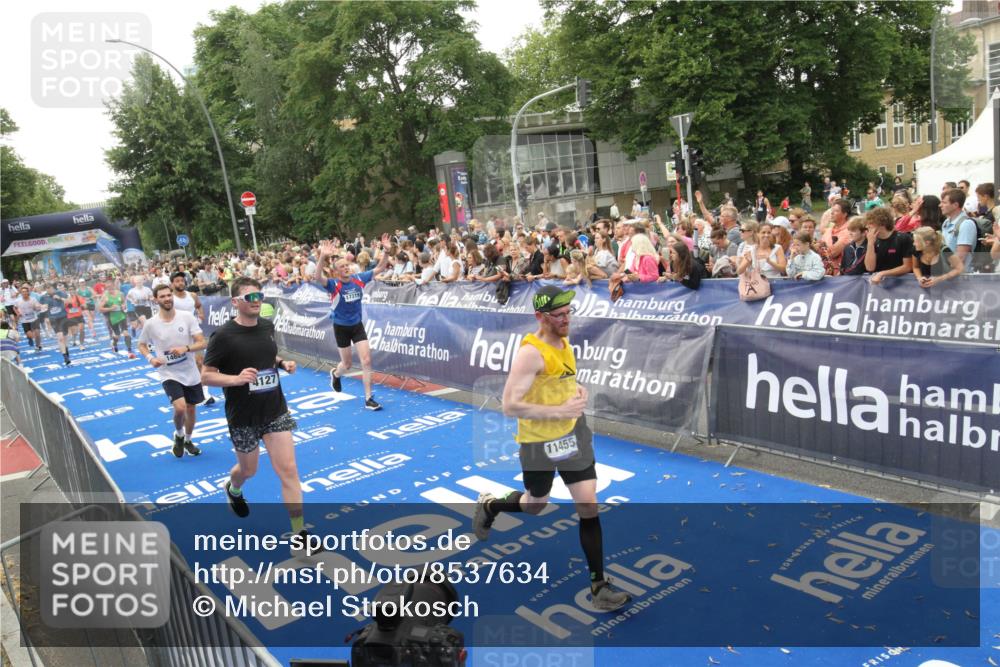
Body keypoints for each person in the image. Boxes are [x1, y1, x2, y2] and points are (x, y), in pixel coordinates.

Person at [472, 285, 631, 612]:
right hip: (538, 442)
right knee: (535, 505)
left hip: (573, 433)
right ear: (540, 317)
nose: (566, 319)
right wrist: (559, 410)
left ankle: (599, 585)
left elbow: (561, 379)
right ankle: (491, 506)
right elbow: (510, 405)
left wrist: (577, 392)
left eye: (568, 313)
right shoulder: (531, 352)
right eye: (558, 315)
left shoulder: (564, 340)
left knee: (588, 504)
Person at [201, 278, 320, 558]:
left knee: (289, 471)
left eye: (259, 295)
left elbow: (268, 354)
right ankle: (233, 487)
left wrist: (281, 363)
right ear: (235, 302)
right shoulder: (223, 336)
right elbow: (206, 375)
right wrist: (236, 379)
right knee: (248, 471)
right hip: (243, 416)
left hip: (274, 409)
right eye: (250, 296)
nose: (256, 300)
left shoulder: (267, 326)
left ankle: (299, 535)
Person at [314, 237, 390, 411]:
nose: (346, 267)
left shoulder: (358, 278)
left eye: (347, 265)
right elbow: (317, 276)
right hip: (341, 327)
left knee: (366, 360)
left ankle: (369, 398)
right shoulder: (333, 284)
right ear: (336, 272)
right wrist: (322, 257)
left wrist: (386, 252)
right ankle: (336, 373)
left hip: (357, 325)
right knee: (346, 364)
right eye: (342, 266)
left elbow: (380, 268)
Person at [138, 285, 206, 458]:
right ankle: (179, 435)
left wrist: (186, 348)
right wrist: (151, 359)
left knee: (191, 409)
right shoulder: (151, 324)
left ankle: (188, 440)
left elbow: (202, 342)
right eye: (163, 296)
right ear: (156, 299)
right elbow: (141, 344)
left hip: (190, 372)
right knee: (180, 408)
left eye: (169, 295)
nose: (167, 298)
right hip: (168, 373)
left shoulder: (186, 317)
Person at [170, 271, 217, 405]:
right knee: (184, 364)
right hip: (177, 335)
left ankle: (205, 393)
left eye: (182, 280)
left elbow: (198, 305)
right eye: (177, 281)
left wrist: (201, 314)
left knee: (200, 361)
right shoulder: (170, 298)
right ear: (172, 284)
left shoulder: (192, 295)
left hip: (194, 333)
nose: (180, 283)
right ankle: (183, 390)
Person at [864, 207, 914, 284]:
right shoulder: (872, 240)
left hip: (902, 284)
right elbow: (870, 268)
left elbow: (907, 267)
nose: (867, 226)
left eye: (870, 223)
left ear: (881, 224)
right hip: (880, 285)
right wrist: (870, 244)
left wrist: (882, 273)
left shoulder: (903, 238)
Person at [939, 188, 978, 271]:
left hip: (962, 278)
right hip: (947, 274)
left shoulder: (966, 224)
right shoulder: (946, 222)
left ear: (955, 205)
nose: (940, 205)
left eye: (944, 202)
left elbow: (959, 259)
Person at [98, 281, 135, 357]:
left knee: (126, 333)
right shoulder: (105, 296)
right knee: (117, 335)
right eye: (108, 288)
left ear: (114, 286)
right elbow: (100, 309)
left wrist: (123, 306)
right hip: (112, 317)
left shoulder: (120, 293)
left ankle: (129, 350)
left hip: (121, 315)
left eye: (111, 287)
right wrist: (110, 308)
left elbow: (123, 302)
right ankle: (114, 344)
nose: (110, 289)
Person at [40, 284, 72, 365]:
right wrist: (43, 307)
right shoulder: (44, 297)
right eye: (47, 288)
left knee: (65, 337)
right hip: (54, 319)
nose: (49, 290)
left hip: (63, 317)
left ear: (53, 288)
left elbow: (69, 301)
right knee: (60, 338)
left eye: (50, 288)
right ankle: (65, 357)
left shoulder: (60, 293)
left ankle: (66, 350)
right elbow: (40, 307)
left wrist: (60, 298)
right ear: (45, 290)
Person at [14, 285, 43, 353]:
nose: (24, 293)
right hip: (25, 321)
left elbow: (37, 307)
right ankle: (29, 338)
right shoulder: (18, 301)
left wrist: (37, 308)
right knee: (30, 335)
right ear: (21, 293)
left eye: (25, 292)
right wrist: (18, 313)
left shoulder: (33, 299)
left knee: (37, 334)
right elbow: (14, 308)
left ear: (28, 292)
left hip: (34, 319)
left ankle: (38, 345)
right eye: (22, 292)